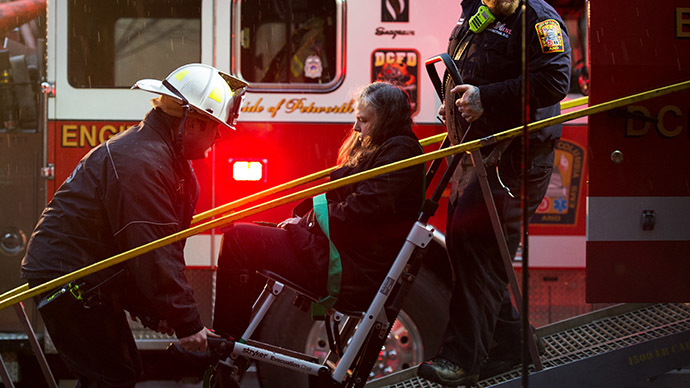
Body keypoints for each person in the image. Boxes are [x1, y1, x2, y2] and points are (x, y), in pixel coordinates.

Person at [20, 63, 248, 388]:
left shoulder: (159, 156)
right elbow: (153, 251)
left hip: (85, 277)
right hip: (67, 278)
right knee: (113, 376)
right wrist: (187, 322)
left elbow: (139, 252)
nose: (219, 136)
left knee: (119, 371)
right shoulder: (144, 162)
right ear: (193, 123)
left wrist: (158, 313)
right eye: (215, 127)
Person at [417, 0, 571, 386]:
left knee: (479, 251)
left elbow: (554, 82)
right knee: (466, 248)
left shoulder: (539, 19)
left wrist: (485, 98)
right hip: (480, 153)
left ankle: (462, 360)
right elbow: (469, 58)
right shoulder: (477, 5)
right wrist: (454, 101)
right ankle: (511, 345)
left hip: (516, 160)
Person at [212, 82, 425, 344]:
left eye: (363, 120)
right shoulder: (390, 147)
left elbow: (360, 210)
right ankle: (235, 339)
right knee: (253, 231)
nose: (357, 128)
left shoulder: (400, 151)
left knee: (238, 239)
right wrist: (302, 221)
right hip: (348, 257)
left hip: (351, 269)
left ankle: (224, 343)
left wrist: (305, 223)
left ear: (386, 119)